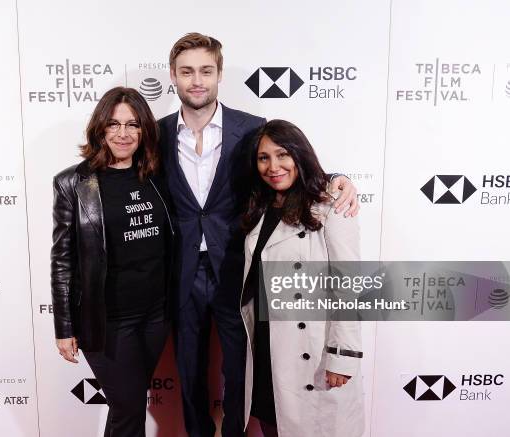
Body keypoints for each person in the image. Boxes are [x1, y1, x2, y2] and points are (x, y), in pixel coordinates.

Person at [157, 33, 360, 437]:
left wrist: (337, 179)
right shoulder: (157, 133)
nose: (197, 80)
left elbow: (289, 164)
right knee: (189, 371)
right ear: (173, 77)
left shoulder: (251, 128)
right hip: (180, 271)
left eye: (206, 71)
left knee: (241, 372)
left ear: (218, 75)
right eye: (187, 71)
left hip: (238, 267)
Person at [50, 87, 174, 437]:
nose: (123, 134)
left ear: (144, 130)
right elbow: (62, 258)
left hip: (156, 315)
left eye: (133, 124)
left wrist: (334, 180)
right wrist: (64, 326)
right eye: (114, 124)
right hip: (107, 322)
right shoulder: (73, 183)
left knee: (127, 408)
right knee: (129, 406)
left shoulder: (158, 175)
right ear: (100, 129)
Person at [240, 119, 365, 437]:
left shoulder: (330, 206)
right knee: (272, 424)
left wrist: (343, 357)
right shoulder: (261, 207)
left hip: (313, 353)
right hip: (269, 346)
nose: (273, 166)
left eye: (282, 155)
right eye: (263, 158)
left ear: (299, 155)